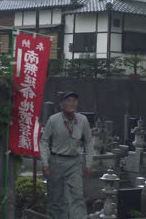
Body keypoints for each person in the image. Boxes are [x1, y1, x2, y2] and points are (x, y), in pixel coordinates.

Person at [40, 91, 93, 219]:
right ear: (61, 104)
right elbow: (44, 141)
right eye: (68, 100)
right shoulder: (53, 120)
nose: (71, 103)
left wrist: (89, 164)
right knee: (56, 198)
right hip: (56, 161)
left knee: (77, 196)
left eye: (74, 100)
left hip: (75, 161)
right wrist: (45, 163)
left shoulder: (82, 120)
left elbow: (89, 142)